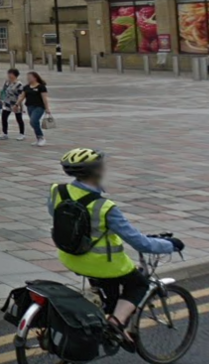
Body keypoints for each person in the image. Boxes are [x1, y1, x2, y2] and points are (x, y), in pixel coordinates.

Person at [51, 149, 183, 348]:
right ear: (98, 171)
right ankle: (115, 324)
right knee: (139, 284)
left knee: (110, 296)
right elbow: (140, 243)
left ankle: (102, 320)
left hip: (70, 256)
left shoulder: (57, 191)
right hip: (102, 264)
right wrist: (170, 245)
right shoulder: (105, 207)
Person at [24, 71, 52, 146]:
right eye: (27, 77)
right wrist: (17, 104)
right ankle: (38, 138)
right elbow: (22, 96)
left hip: (39, 107)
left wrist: (47, 108)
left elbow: (44, 98)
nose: (28, 79)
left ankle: (41, 137)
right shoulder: (26, 87)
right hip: (30, 106)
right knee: (33, 122)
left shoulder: (41, 87)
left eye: (30, 77)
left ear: (35, 78)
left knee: (34, 120)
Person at [0, 69, 27, 141]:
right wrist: (2, 100)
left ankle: (22, 133)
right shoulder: (7, 82)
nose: (9, 75)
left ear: (15, 75)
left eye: (10, 74)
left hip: (16, 103)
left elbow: (21, 95)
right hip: (7, 103)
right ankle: (4, 133)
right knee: (4, 117)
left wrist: (17, 104)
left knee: (19, 118)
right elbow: (4, 91)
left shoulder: (19, 84)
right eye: (8, 73)